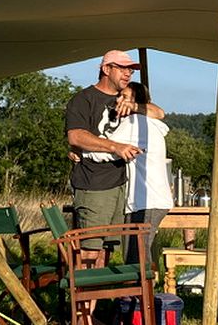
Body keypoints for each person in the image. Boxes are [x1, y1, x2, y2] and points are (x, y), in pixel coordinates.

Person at [64, 50, 164, 262]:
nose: (128, 74)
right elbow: (76, 136)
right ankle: (84, 295)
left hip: (121, 187)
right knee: (90, 251)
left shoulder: (125, 98)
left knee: (106, 252)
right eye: (122, 68)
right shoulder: (84, 99)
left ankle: (100, 296)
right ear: (106, 69)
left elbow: (159, 113)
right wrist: (114, 146)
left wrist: (135, 106)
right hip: (94, 185)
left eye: (131, 70)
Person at [119, 80, 173, 268]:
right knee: (135, 255)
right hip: (147, 199)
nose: (119, 100)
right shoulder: (149, 123)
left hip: (146, 200)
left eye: (124, 96)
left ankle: (142, 297)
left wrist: (80, 149)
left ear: (136, 102)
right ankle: (137, 296)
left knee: (137, 259)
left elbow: (104, 147)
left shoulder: (135, 122)